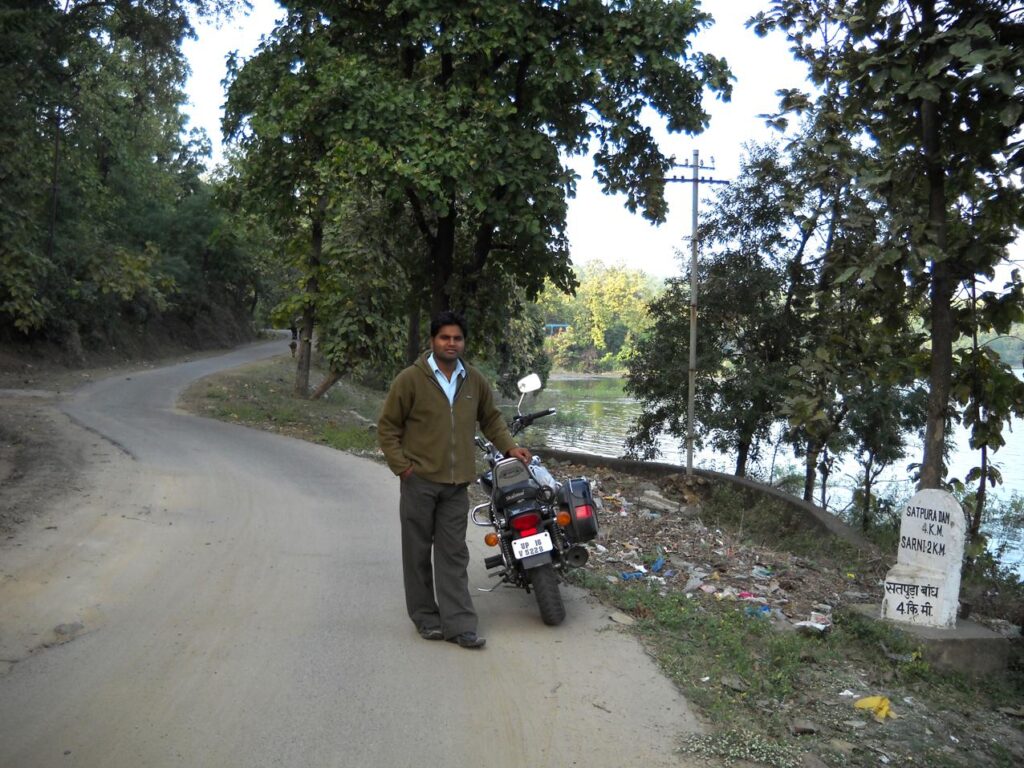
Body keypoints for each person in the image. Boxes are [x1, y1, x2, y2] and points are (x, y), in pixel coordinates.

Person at [378, 311, 531, 649]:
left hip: (456, 484)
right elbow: (388, 427)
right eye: (445, 337)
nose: (451, 343)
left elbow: (491, 419)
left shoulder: (473, 380)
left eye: (457, 338)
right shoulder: (410, 379)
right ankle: (425, 617)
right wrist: (403, 467)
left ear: (463, 342)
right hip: (419, 481)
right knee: (417, 551)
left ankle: (459, 624)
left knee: (454, 554)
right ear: (433, 341)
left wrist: (511, 447)